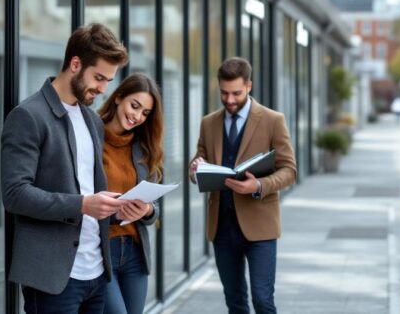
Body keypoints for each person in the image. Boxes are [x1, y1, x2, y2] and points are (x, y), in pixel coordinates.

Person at [2, 24, 129, 314]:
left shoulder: (93, 121)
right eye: (98, 78)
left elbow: (89, 189)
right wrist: (83, 205)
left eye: (108, 80)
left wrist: (116, 210)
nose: (103, 89)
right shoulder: (28, 116)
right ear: (75, 64)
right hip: (52, 278)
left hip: (96, 272)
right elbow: (15, 194)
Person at [188, 57, 297, 314]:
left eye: (236, 93)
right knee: (234, 302)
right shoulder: (208, 123)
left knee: (262, 300)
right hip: (222, 227)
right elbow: (198, 161)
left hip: (260, 227)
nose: (229, 100)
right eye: (223, 93)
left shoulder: (273, 120)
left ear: (249, 86)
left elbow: (290, 171)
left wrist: (258, 185)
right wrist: (195, 169)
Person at [97, 73, 163, 314]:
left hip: (135, 252)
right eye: (134, 106)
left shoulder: (145, 148)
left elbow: (154, 207)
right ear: (118, 98)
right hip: (102, 251)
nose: (137, 116)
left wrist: (147, 210)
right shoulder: (92, 138)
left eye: (145, 113)